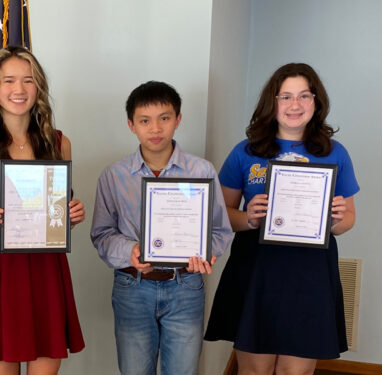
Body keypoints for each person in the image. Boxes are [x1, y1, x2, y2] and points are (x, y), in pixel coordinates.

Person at [204, 63, 358, 375]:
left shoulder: (335, 153)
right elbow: (219, 216)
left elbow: (347, 220)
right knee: (255, 370)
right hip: (256, 269)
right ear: (272, 102)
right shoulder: (245, 152)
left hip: (310, 273)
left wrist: (335, 221)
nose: (295, 105)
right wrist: (249, 218)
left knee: (295, 371)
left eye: (304, 95)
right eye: (285, 96)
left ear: (316, 101)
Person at [0, 46, 85, 375]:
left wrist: (72, 214)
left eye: (28, 81)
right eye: (8, 80)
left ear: (38, 87)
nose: (19, 89)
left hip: (46, 269)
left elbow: (58, 213)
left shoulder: (59, 142)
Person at [90, 81, 234, 375]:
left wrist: (208, 252)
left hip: (186, 286)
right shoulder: (114, 176)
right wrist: (130, 251)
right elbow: (101, 234)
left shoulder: (201, 171)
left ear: (178, 120)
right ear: (131, 125)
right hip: (132, 287)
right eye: (145, 120)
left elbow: (220, 229)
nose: (155, 129)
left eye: (164, 118)